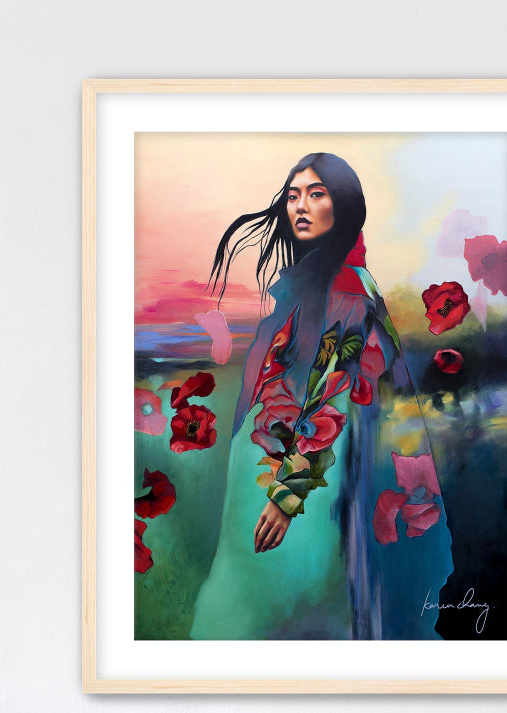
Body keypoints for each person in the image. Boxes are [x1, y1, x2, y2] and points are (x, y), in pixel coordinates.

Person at [190, 153, 452, 641]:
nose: (301, 207)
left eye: (316, 194)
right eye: (293, 196)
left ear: (346, 206)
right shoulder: (317, 281)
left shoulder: (349, 290)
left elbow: (335, 391)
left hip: (304, 487)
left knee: (270, 608)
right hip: (276, 471)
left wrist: (288, 495)